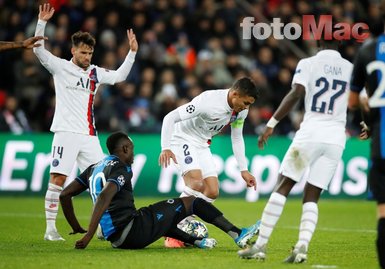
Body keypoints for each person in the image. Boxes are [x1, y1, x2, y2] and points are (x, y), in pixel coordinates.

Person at [238, 40, 353, 263]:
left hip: (310, 135)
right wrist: (367, 123)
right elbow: (360, 100)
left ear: (319, 42)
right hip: (336, 138)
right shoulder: (350, 68)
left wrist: (271, 123)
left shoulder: (308, 63)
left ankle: (260, 246)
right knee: (312, 195)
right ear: (339, 42)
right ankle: (302, 247)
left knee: (283, 186)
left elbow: (296, 92)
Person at [33, 3, 138, 241]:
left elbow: (120, 76)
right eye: (83, 53)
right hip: (65, 132)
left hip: (89, 135)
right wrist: (42, 22)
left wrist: (131, 53)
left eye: (90, 53)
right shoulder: (60, 67)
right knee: (58, 179)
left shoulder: (95, 73)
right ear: (73, 51)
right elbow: (38, 50)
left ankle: (102, 227)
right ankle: (50, 230)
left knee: (101, 179)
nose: (87, 57)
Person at [59, 131, 260, 249]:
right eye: (132, 148)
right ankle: (237, 234)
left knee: (166, 213)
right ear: (125, 149)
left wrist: (76, 225)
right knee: (192, 201)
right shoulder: (121, 168)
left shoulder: (93, 168)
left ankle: (196, 241)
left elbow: (65, 194)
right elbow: (104, 197)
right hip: (131, 231)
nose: (134, 154)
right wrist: (87, 235)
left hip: (118, 239)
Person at [158, 77, 259, 247]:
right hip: (182, 138)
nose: (246, 107)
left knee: (212, 191)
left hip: (202, 144)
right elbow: (170, 117)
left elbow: (237, 137)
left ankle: (180, 224)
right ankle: (169, 228)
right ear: (235, 94)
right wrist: (165, 147)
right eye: (245, 102)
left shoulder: (240, 111)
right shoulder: (208, 102)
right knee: (196, 183)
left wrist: (244, 169)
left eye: (249, 104)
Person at [349, 2, 385, 266]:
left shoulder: (368, 49)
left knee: (383, 211)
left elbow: (353, 100)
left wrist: (367, 122)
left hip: (381, 144)